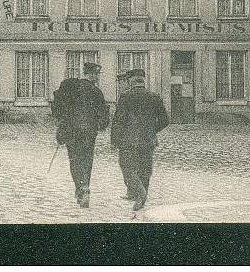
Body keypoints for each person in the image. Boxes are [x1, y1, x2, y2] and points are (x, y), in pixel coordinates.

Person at [110, 68, 169, 212]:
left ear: (132, 81)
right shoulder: (154, 97)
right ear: (143, 80)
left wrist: (114, 140)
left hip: (128, 141)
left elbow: (118, 121)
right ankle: (138, 194)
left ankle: (139, 194)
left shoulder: (125, 97)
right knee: (145, 168)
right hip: (148, 140)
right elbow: (165, 120)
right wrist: (151, 130)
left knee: (127, 167)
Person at [55, 62, 109, 209]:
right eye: (96, 74)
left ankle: (80, 188)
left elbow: (61, 111)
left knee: (74, 160)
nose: (97, 77)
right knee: (86, 160)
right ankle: (85, 186)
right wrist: (100, 125)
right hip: (89, 133)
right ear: (91, 74)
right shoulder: (96, 92)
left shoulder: (72, 88)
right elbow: (104, 118)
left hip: (72, 132)